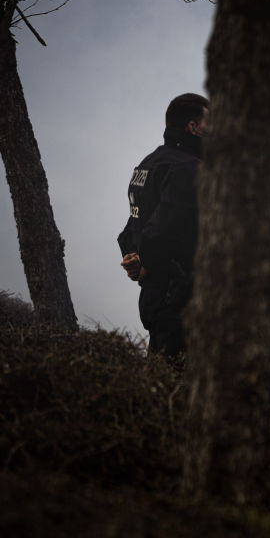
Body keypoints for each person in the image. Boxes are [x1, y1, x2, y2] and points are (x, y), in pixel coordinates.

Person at [117, 93, 208, 358]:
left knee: (160, 377)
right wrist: (145, 264)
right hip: (181, 295)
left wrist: (133, 258)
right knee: (179, 385)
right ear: (192, 126)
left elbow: (135, 222)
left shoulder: (148, 163)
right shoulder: (190, 168)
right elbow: (162, 229)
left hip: (155, 294)